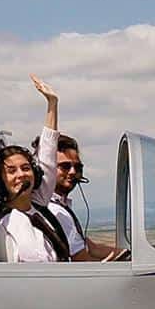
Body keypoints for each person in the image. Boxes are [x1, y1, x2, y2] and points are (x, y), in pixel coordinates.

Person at [29, 76, 119, 260]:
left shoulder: (60, 206)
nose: (72, 172)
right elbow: (83, 261)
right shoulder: (54, 211)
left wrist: (133, 254)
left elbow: (91, 247)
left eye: (77, 167)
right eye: (64, 166)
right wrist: (52, 104)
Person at [0, 142, 71, 262]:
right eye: (12, 171)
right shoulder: (10, 221)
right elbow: (39, 264)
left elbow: (47, 159)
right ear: (0, 180)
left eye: (25, 168)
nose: (21, 175)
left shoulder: (38, 207)